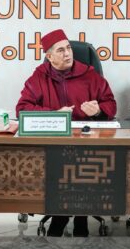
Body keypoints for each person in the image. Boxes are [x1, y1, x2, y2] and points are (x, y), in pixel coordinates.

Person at [16, 29, 117, 237]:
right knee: (60, 164)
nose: (68, 53)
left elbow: (111, 104)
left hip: (87, 140)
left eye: (69, 48)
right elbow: (22, 109)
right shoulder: (39, 77)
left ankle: (80, 218)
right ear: (49, 56)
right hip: (53, 141)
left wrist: (98, 110)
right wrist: (54, 114)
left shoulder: (90, 74)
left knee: (83, 164)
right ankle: (61, 216)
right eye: (61, 50)